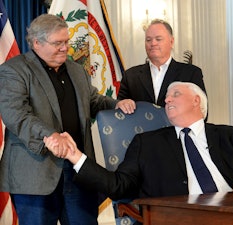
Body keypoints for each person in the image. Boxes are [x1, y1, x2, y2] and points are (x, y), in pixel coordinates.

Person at [0, 14, 135, 225]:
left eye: (66, 42)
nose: (65, 48)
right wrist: (51, 136)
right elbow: (16, 115)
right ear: (37, 43)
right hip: (35, 175)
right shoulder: (13, 70)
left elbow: (93, 101)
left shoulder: (76, 69)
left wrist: (115, 104)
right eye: (58, 43)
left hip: (79, 170)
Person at [45, 81, 233, 203]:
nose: (167, 99)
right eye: (166, 96)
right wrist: (75, 156)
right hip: (179, 217)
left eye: (175, 94)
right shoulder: (147, 143)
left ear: (196, 101)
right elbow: (118, 186)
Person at [117, 19, 207, 109]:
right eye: (148, 40)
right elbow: (119, 112)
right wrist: (122, 104)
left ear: (171, 42)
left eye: (158, 39)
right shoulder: (130, 76)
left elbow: (201, 111)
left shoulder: (191, 74)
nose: (153, 43)